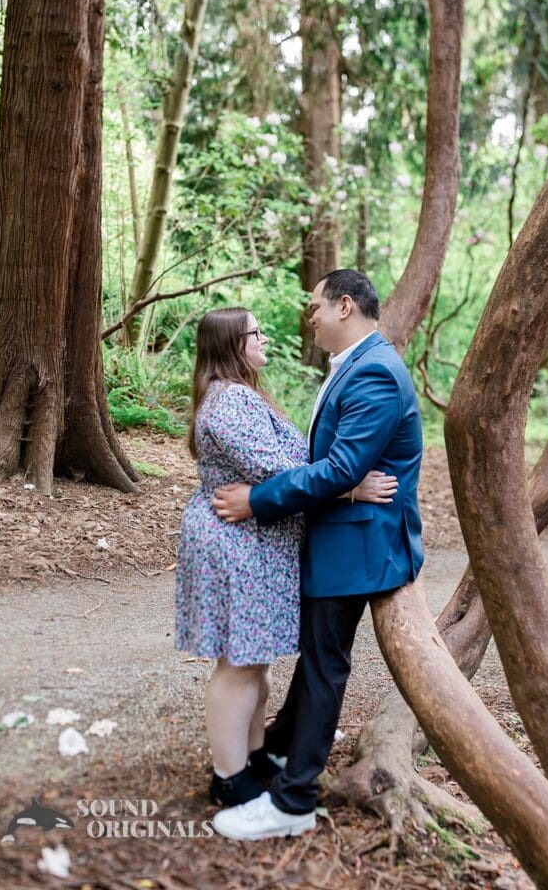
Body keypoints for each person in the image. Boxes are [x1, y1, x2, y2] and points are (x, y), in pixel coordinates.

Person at [211, 270, 424, 840]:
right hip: (343, 532)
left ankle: (295, 799)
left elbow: (339, 469)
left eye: (315, 307)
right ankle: (281, 751)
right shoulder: (359, 362)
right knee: (315, 659)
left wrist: (257, 501)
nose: (310, 317)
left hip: (359, 545)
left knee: (325, 666)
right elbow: (333, 464)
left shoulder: (375, 370)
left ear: (345, 307)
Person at [175, 306, 398, 809]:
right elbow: (277, 469)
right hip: (235, 547)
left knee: (256, 663)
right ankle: (229, 778)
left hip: (256, 545)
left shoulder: (248, 394)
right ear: (234, 344)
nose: (265, 338)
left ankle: (252, 758)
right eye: (256, 332)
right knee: (239, 665)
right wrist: (349, 487)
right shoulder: (229, 401)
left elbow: (290, 465)